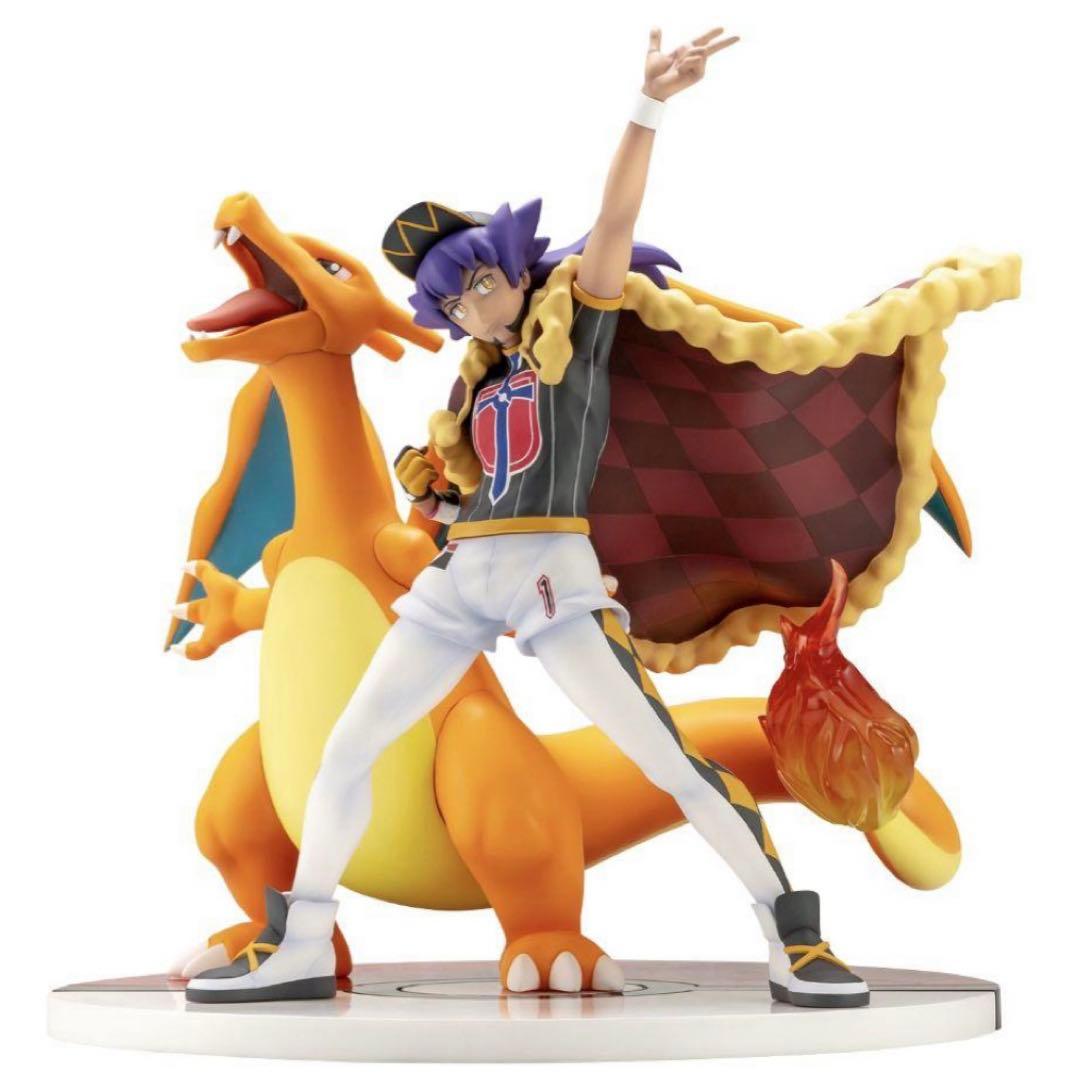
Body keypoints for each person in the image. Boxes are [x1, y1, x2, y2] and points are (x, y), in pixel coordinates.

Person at [187, 25, 869, 1009]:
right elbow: (460, 496)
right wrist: (435, 490)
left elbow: (616, 217)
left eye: (478, 278)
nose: (471, 304)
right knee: (346, 750)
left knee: (667, 761)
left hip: (551, 574)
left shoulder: (574, 338)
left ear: (512, 266)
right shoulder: (474, 386)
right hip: (462, 576)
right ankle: (301, 940)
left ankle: (793, 938)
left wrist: (649, 105)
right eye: (450, 299)